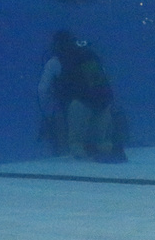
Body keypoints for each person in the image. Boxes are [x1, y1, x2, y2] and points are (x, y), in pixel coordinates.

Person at [37, 30, 123, 162]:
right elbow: (105, 79)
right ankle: (107, 155)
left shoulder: (55, 61)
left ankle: (81, 166)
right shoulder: (89, 55)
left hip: (78, 104)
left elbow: (43, 89)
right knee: (102, 141)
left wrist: (49, 110)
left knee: (76, 144)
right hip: (103, 102)